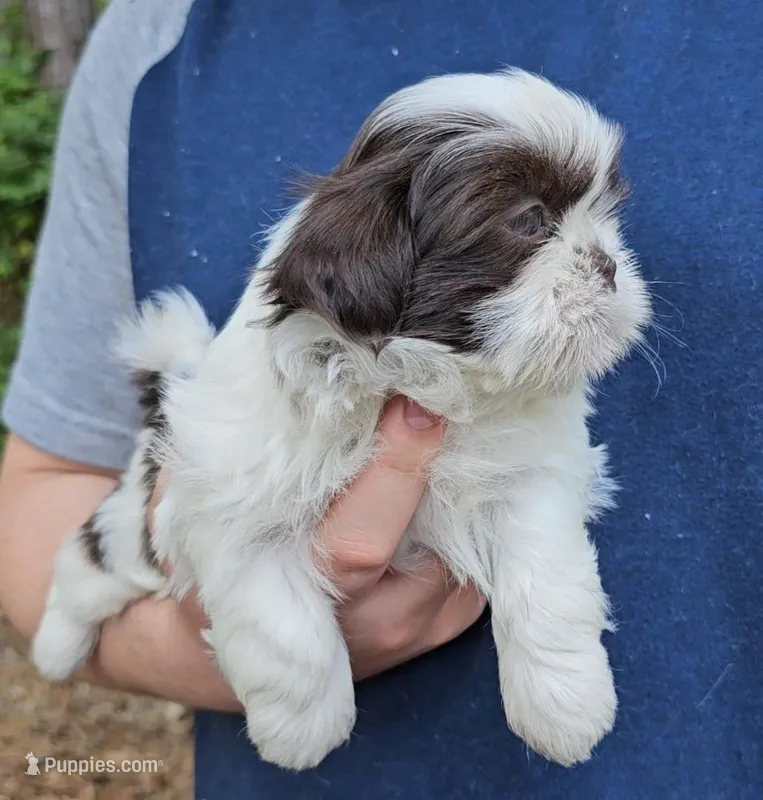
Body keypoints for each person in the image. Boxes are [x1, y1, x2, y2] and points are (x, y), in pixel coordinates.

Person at [0, 0, 760, 797]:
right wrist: (225, 651)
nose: (600, 259)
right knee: (102, 570)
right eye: (531, 223)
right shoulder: (167, 33)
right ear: (366, 264)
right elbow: (51, 484)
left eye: (599, 216)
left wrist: (552, 639)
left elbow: (542, 476)